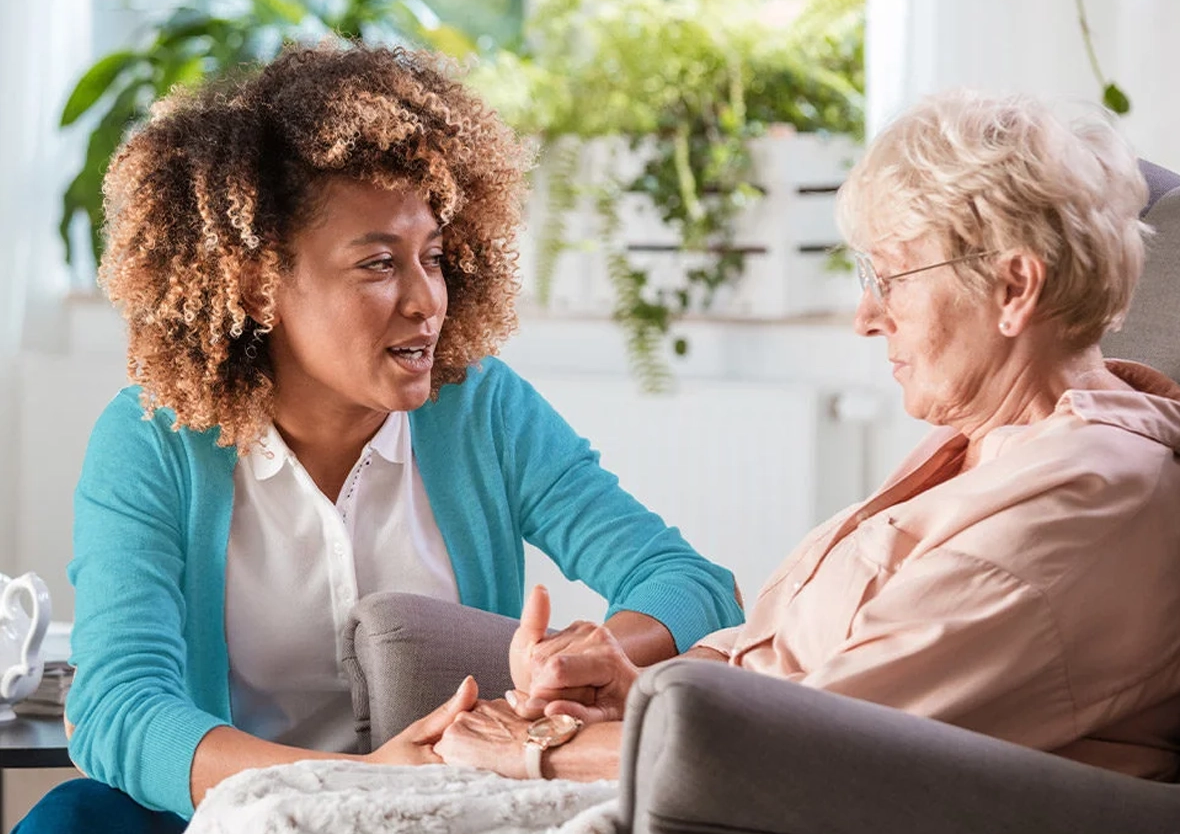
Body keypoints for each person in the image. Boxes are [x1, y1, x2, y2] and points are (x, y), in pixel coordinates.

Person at [15, 43, 743, 832]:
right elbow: (122, 705)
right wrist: (351, 781)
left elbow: (688, 581)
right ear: (259, 282)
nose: (427, 299)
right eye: (377, 264)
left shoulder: (480, 410)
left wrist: (577, 655)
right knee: (73, 817)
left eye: (431, 257)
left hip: (436, 809)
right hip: (227, 808)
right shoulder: (153, 438)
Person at [432, 89, 1180, 784]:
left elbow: (800, 745)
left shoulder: (1076, 510)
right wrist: (634, 685)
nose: (866, 317)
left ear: (1012, 285)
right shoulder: (1004, 450)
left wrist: (541, 744)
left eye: (889, 277)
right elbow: (784, 667)